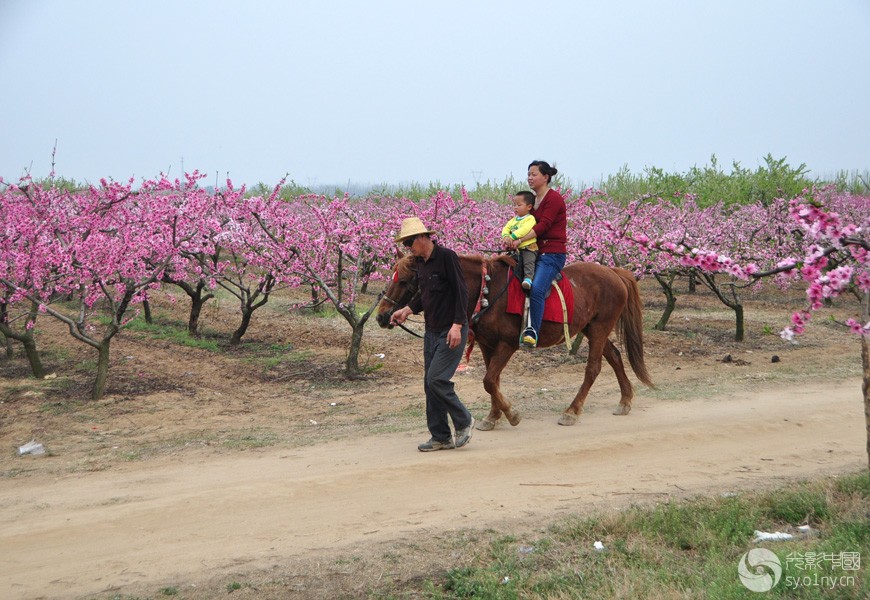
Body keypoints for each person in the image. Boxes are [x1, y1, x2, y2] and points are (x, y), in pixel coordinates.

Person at [389, 216, 475, 452]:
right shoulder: (422, 263)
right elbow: (426, 297)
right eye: (406, 244)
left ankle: (464, 420)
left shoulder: (446, 257)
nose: (408, 248)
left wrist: (458, 325)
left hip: (451, 330)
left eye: (410, 243)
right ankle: (440, 436)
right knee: (430, 385)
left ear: (423, 238)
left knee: (437, 379)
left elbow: (461, 292)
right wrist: (407, 310)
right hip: (431, 331)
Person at [505, 160, 567, 348]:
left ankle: (533, 331)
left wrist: (520, 240)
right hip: (532, 252)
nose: (530, 178)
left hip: (551, 254)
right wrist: (508, 237)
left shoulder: (554, 199)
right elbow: (520, 224)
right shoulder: (531, 200)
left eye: (534, 174)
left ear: (546, 177)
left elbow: (543, 226)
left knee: (537, 289)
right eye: (528, 174)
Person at [501, 191, 538, 290]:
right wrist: (505, 237)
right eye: (514, 205)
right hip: (516, 249)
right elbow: (506, 228)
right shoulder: (513, 220)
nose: (515, 207)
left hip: (528, 248)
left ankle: (528, 278)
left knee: (528, 262)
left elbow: (524, 230)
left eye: (519, 205)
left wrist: (512, 237)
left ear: (529, 207)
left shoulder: (530, 219)